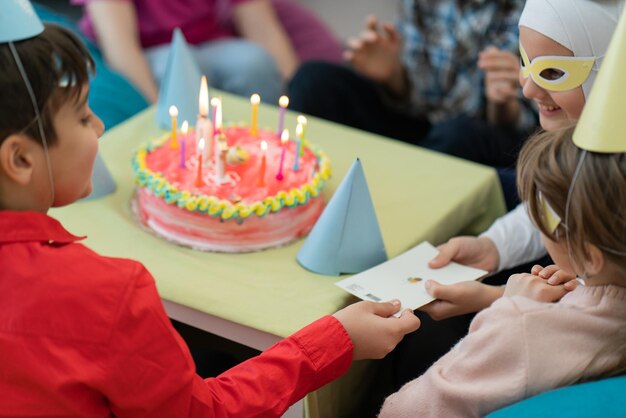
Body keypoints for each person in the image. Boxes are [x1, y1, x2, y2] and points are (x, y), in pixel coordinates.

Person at [0, 21, 420, 416]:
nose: (100, 124)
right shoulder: (109, 295)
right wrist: (335, 341)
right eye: (80, 116)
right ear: (20, 159)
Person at [390, 0, 626, 390]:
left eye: (552, 72)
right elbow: (550, 209)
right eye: (525, 64)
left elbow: (605, 307)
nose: (528, 87)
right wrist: (492, 246)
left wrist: (498, 299)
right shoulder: (581, 141)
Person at [378, 123, 626, 416]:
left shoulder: (519, 325)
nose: (533, 217)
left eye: (544, 212)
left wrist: (508, 308)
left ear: (590, 255)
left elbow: (404, 412)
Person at [288, 0, 537, 168]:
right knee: (313, 80)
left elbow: (533, 126)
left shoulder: (531, 10)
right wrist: (394, 75)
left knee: (457, 137)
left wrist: (503, 102)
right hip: (424, 127)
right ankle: (311, 183)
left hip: (484, 134)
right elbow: (419, 96)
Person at [72, 0, 300, 104]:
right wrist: (156, 115)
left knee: (254, 63)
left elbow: (262, 26)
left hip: (206, 41)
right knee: (182, 70)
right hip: (143, 51)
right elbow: (120, 48)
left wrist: (300, 95)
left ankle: (267, 150)